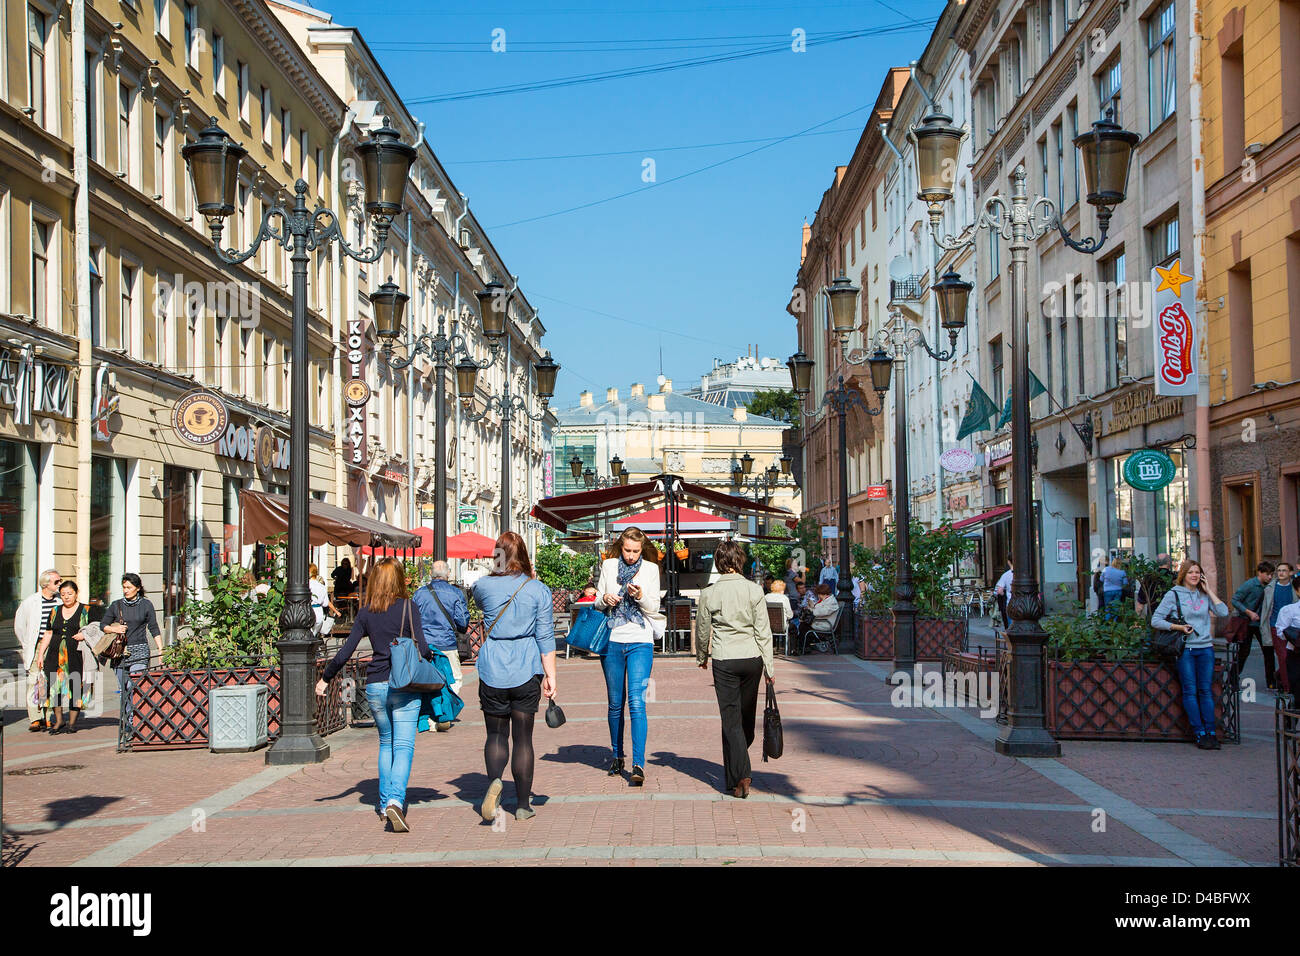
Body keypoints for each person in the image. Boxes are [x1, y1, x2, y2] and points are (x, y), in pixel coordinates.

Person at [318, 557, 431, 833]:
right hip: (404, 685)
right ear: (399, 579)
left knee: (385, 743)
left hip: (376, 684)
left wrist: (326, 678)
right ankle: (395, 800)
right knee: (403, 746)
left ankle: (382, 804)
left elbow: (346, 651)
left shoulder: (366, 612)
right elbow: (424, 649)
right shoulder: (409, 606)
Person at [472, 532, 557, 823]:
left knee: (495, 735)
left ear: (497, 555)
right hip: (525, 666)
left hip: (493, 666)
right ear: (523, 555)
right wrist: (551, 676)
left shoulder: (483, 586)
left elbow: (481, 599)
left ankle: (495, 781)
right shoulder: (538, 590)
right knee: (523, 740)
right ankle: (522, 804)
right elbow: (545, 636)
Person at [696, 540, 774, 799]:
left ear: (718, 563)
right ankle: (735, 775)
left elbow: (703, 628)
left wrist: (702, 655)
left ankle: (742, 773)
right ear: (740, 560)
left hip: (724, 658)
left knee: (730, 720)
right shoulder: (754, 590)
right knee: (745, 719)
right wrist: (769, 667)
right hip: (752, 658)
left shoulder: (709, 593)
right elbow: (764, 631)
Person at [595, 527, 665, 785]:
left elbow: (655, 606)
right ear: (620, 546)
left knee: (637, 702)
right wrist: (605, 598)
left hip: (640, 640)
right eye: (627, 550)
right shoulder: (609, 566)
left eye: (636, 551)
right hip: (612, 641)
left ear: (642, 548)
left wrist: (640, 596)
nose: (632, 555)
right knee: (615, 703)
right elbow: (597, 602)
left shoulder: (650, 570)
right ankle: (616, 755)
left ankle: (638, 764)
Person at [1151, 561, 1229, 749]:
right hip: (1186, 649)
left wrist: (1209, 589)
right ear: (1183, 575)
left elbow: (1223, 612)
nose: (1194, 575)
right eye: (1191, 572)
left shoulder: (1204, 594)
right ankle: (1200, 733)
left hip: (1205, 648)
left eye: (1197, 572)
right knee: (1190, 691)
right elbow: (1156, 620)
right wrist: (1179, 627)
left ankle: (1211, 732)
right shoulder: (1174, 594)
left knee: (1205, 690)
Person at [35, 580, 93, 734]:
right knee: (53, 688)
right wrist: (41, 654)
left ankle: (72, 723)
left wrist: (84, 634)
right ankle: (59, 720)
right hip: (54, 656)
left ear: (76, 593)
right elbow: (48, 633)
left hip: (76, 656)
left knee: (76, 687)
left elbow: (97, 629)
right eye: (63, 594)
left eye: (70, 593)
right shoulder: (54, 611)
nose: (66, 597)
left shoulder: (86, 610)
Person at [411, 560, 469, 700]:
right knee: (454, 678)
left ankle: (432, 714)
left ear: (431, 573)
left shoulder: (419, 594)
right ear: (448, 574)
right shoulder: (455, 593)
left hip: (425, 644)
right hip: (447, 642)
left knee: (427, 679)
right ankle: (446, 710)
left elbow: (412, 620)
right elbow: (462, 621)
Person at [14, 569, 62, 731]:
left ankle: (49, 716)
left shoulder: (60, 602)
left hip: (54, 646)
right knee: (34, 680)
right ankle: (35, 717)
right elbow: (19, 626)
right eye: (56, 582)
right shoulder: (31, 601)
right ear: (46, 584)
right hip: (36, 646)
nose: (59, 584)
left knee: (50, 681)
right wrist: (27, 644)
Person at [100, 574, 163, 689]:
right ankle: (126, 708)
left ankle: (134, 707)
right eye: (124, 587)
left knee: (133, 686)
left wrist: (160, 649)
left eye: (129, 587)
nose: (126, 591)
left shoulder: (146, 605)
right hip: (119, 651)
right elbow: (103, 625)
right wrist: (114, 629)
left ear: (138, 588)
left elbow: (153, 627)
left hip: (140, 650)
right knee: (123, 689)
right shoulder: (116, 605)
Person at [1231, 562, 1275, 686]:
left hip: (1262, 624)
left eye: (1272, 574)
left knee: (1268, 650)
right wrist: (1249, 612)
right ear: (1260, 573)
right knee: (1243, 652)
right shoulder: (1249, 585)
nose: (1270, 577)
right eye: (1268, 574)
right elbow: (1235, 600)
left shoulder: (1269, 586)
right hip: (1247, 623)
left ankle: (1271, 682)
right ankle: (1232, 679)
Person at [1254, 561, 1291, 691]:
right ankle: (1287, 688)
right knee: (1283, 656)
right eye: (1279, 570)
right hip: (1276, 626)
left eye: (1284, 570)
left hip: (1292, 627)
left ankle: (1278, 675)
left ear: (1290, 573)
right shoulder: (1270, 588)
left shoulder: (1294, 588)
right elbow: (1266, 609)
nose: (1281, 573)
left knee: (1291, 656)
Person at [1271, 580, 1300, 695]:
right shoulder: (1289, 610)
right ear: (1297, 591)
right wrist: (1295, 635)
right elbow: (1281, 633)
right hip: (1296, 654)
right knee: (1297, 688)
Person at [308, 563, 340, 638]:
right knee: (314, 634)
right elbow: (326, 603)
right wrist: (336, 611)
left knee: (308, 634)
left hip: (309, 610)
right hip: (319, 612)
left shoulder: (307, 585)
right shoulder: (322, 587)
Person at [807, 583, 840, 651]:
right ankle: (805, 646)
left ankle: (803, 647)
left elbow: (822, 612)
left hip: (825, 624)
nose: (818, 596)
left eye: (819, 594)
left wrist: (811, 609)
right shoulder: (826, 600)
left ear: (824, 594)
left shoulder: (831, 602)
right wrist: (811, 607)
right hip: (820, 621)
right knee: (804, 625)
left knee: (804, 627)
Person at [766, 579, 794, 653]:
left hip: (768, 626)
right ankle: (791, 649)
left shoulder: (766, 597)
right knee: (793, 628)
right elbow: (790, 615)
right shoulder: (784, 598)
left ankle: (773, 647)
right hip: (781, 626)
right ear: (782, 590)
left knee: (773, 623)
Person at [995, 561, 1013, 625]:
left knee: (1011, 627)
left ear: (1008, 562)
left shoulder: (1006, 575)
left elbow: (998, 590)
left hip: (1011, 604)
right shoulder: (1024, 573)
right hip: (1025, 605)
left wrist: (1004, 594)